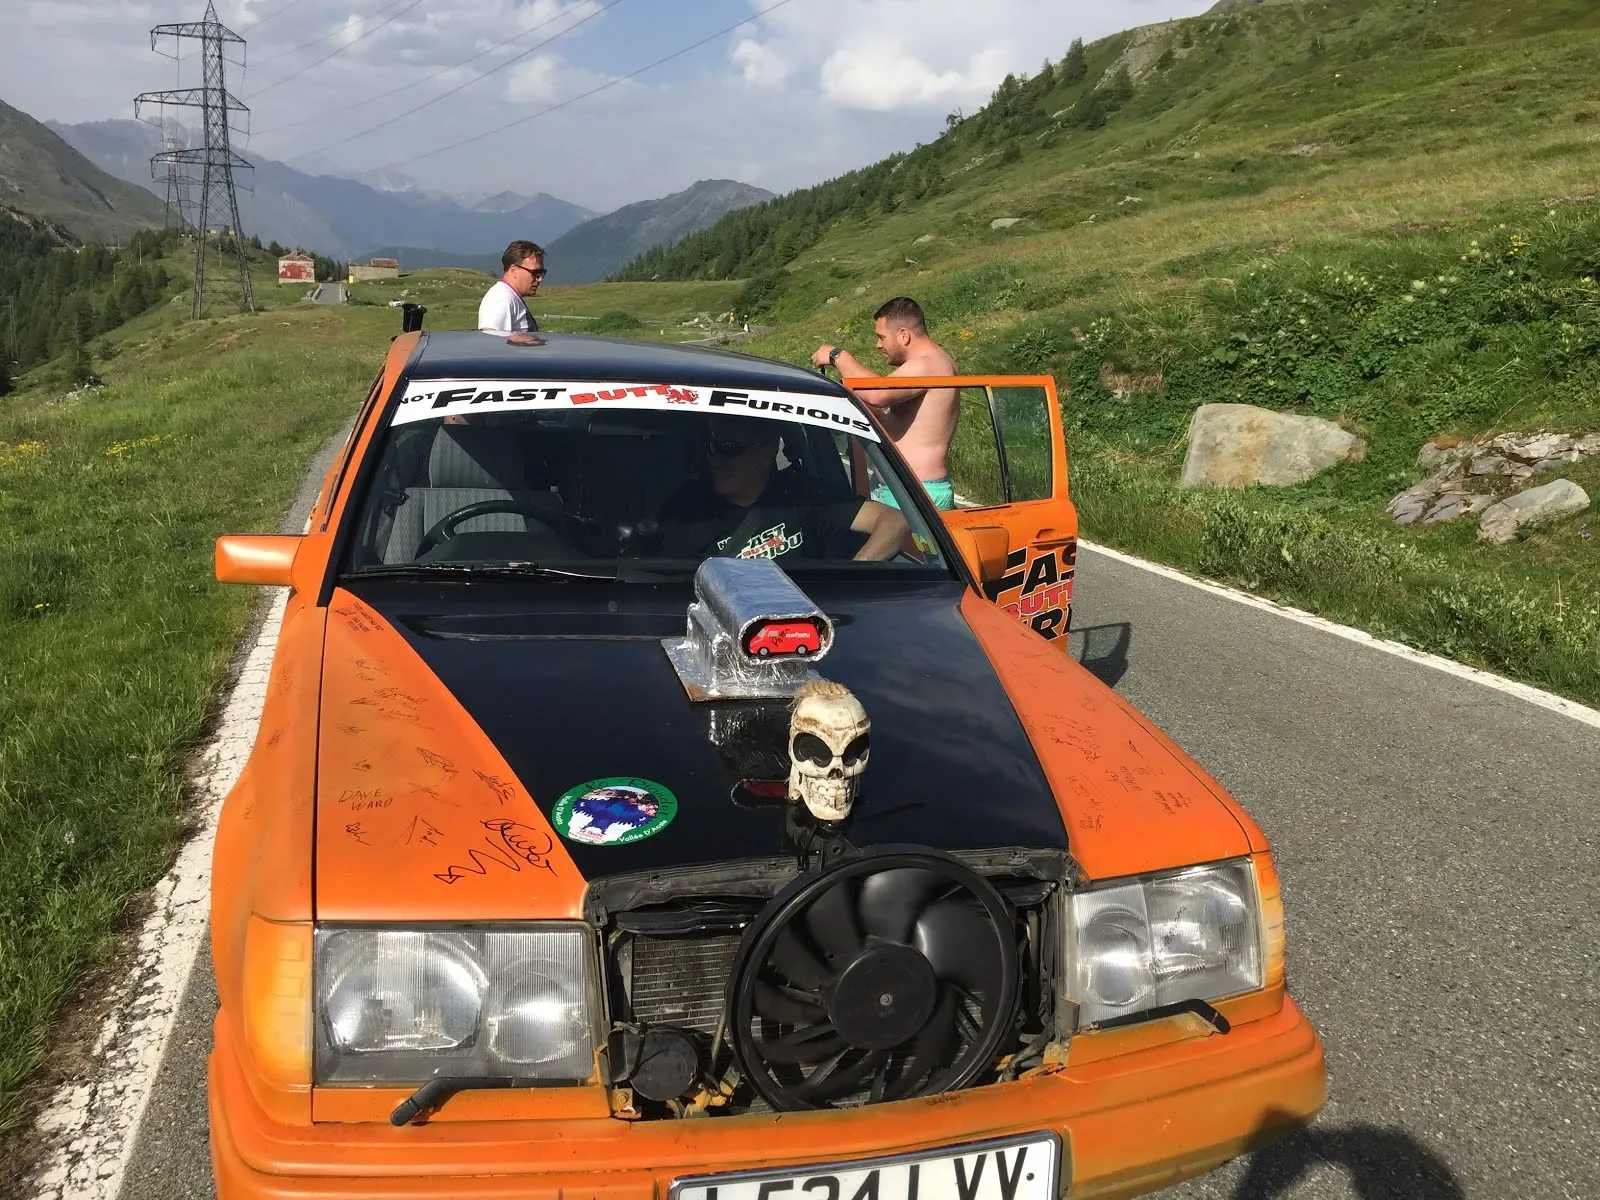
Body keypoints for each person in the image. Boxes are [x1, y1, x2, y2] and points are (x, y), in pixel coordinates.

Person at [658, 416, 907, 564]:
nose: (716, 459)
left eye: (730, 448)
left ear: (765, 453)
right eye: (712, 447)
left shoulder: (802, 496)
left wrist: (858, 572)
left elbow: (894, 520)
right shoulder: (685, 513)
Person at [812, 297, 958, 510]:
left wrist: (838, 356)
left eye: (881, 337)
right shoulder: (931, 363)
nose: (878, 345)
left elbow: (878, 394)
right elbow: (911, 423)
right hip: (904, 488)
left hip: (915, 492)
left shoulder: (928, 364)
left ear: (904, 335)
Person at [478, 240, 545, 333]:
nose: (539, 279)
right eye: (535, 273)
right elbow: (491, 341)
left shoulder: (508, 296)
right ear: (514, 270)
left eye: (541, 273)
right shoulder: (502, 299)